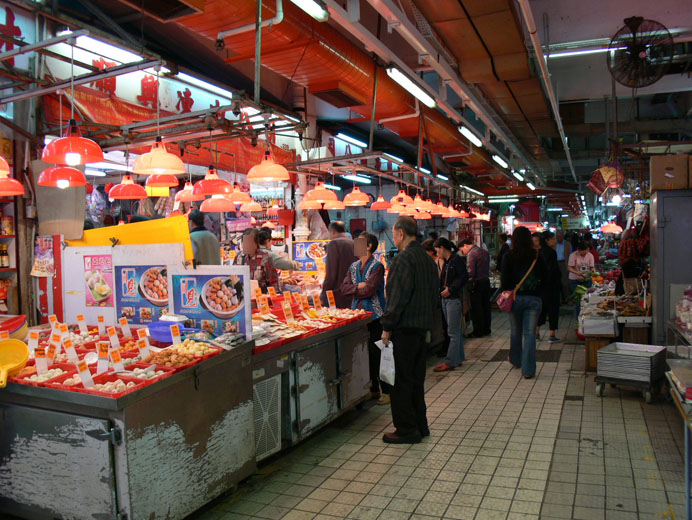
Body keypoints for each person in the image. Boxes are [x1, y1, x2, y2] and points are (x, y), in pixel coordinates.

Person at [380, 216, 439, 444]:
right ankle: (420, 425)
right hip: (422, 328)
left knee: (401, 380)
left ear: (401, 234)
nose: (394, 239)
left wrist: (387, 326)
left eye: (394, 235)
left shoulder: (404, 259)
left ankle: (406, 429)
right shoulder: (426, 260)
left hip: (404, 330)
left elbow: (397, 297)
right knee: (415, 379)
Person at [341, 233, 390, 405]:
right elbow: (343, 287)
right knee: (366, 354)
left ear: (368, 246)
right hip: (359, 317)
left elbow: (369, 290)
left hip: (376, 316)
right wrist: (357, 286)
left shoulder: (377, 266)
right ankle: (374, 389)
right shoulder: (353, 266)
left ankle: (387, 391)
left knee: (380, 354)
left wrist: (355, 288)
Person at [500, 226, 544, 379]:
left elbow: (504, 281)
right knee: (530, 334)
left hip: (515, 299)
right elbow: (545, 277)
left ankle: (516, 360)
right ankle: (528, 370)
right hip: (534, 299)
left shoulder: (508, 256)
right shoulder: (536, 256)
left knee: (515, 331)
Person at [433, 237, 468, 372]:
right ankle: (458, 358)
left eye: (437, 251)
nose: (437, 254)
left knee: (452, 332)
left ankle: (450, 361)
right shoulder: (448, 261)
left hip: (453, 299)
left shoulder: (455, 260)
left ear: (442, 248)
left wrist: (451, 289)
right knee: (455, 331)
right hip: (447, 299)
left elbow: (464, 277)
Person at [421, 238, 448, 358]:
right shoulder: (431, 261)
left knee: (441, 323)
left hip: (440, 295)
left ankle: (441, 347)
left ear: (431, 251)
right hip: (435, 295)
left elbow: (440, 278)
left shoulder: (439, 261)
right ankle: (437, 346)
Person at [320, 221, 357, 308]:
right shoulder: (357, 243)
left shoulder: (334, 244)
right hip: (355, 294)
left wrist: (323, 295)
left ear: (332, 232)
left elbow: (331, 274)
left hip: (339, 295)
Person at [460, 238, 491, 338]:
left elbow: (471, 272)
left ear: (465, 245)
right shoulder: (484, 252)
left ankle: (478, 331)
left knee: (477, 309)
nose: (463, 252)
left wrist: (466, 280)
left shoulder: (471, 254)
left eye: (462, 250)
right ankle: (487, 329)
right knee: (486, 307)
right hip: (486, 282)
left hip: (476, 284)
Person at [233, 228, 279, 293]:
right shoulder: (238, 258)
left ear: (256, 244)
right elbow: (233, 278)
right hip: (242, 299)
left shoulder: (265, 258)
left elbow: (274, 283)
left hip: (260, 299)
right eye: (244, 242)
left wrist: (270, 298)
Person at [537, 231, 561, 342]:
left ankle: (536, 334)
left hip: (541, 286)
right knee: (553, 309)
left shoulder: (539, 252)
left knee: (541, 309)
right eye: (553, 238)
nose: (555, 241)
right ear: (547, 240)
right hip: (552, 286)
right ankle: (552, 335)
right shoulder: (551, 252)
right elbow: (553, 270)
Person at [568, 241, 595, 316]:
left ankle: (587, 318)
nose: (583, 254)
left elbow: (592, 267)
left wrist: (593, 272)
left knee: (587, 299)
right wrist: (577, 272)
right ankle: (578, 319)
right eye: (582, 252)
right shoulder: (573, 255)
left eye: (585, 252)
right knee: (578, 301)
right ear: (578, 250)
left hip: (586, 280)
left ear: (588, 249)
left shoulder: (590, 255)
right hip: (575, 280)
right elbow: (569, 268)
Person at [555, 231, 571, 303]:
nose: (559, 238)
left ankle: (567, 299)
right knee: (557, 282)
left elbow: (570, 255)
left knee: (565, 282)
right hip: (556, 264)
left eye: (560, 236)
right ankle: (559, 300)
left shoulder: (567, 244)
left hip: (564, 263)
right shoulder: (554, 244)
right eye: (557, 237)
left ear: (563, 236)